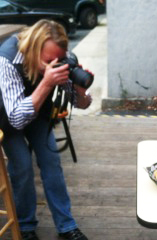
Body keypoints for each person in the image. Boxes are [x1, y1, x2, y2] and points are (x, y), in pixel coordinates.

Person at [0, 20, 92, 240]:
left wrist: (79, 90)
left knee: (51, 162)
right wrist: (46, 83)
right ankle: (26, 227)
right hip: (6, 116)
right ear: (33, 48)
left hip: (38, 112)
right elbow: (15, 118)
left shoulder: (59, 58)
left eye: (58, 59)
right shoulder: (7, 59)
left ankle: (66, 226)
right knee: (22, 166)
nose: (54, 64)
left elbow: (81, 103)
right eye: (48, 60)